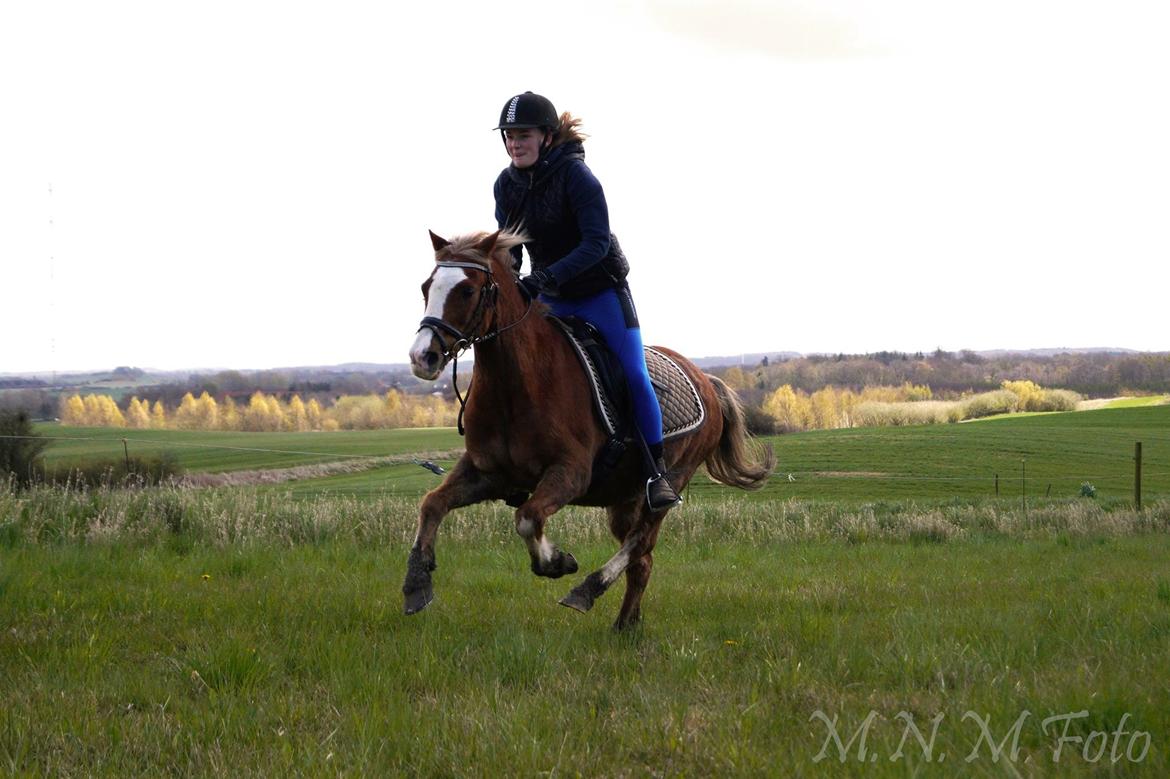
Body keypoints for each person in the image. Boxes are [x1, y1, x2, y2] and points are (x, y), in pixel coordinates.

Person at [492, 91, 681, 510]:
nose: (514, 144)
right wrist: (507, 280)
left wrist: (543, 278)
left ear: (545, 136)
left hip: (601, 292)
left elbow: (595, 243)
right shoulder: (505, 185)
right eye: (508, 136)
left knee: (632, 373)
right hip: (551, 298)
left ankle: (657, 473)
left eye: (522, 135)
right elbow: (511, 247)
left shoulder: (579, 178)